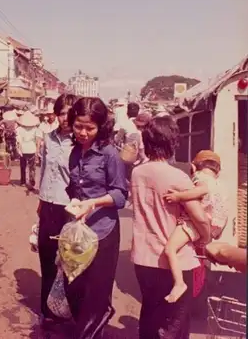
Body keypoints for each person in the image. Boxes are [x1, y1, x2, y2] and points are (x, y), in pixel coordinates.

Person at [131, 116, 211, 339]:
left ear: (146, 142)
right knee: (174, 324)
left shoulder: (137, 173)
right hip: (174, 259)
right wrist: (204, 238)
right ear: (173, 142)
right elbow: (201, 218)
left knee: (149, 314)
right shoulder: (178, 176)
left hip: (143, 257)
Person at [65, 97, 128, 338]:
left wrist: (92, 203)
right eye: (78, 126)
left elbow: (120, 196)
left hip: (103, 231)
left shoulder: (109, 153)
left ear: (100, 127)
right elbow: (74, 189)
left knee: (96, 294)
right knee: (74, 287)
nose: (83, 132)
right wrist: (73, 203)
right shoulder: (74, 152)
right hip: (77, 231)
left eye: (89, 128)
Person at [162, 150, 227, 302]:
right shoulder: (221, 185)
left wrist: (179, 196)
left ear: (193, 167)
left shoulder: (200, 176)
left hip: (198, 221)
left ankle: (179, 283)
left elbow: (202, 190)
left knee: (170, 249)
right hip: (216, 225)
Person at [36, 93, 77, 326]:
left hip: (68, 208)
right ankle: (46, 309)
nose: (64, 118)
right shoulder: (49, 138)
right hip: (48, 205)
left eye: (69, 113)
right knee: (46, 257)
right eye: (61, 113)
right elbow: (43, 170)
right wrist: (40, 201)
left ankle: (67, 310)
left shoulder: (79, 143)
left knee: (68, 261)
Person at [16, 111, 41, 188]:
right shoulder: (36, 129)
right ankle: (31, 181)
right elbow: (38, 141)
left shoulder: (19, 129)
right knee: (32, 167)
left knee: (23, 166)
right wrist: (37, 150)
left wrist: (18, 149)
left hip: (23, 149)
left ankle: (23, 181)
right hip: (32, 149)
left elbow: (18, 141)